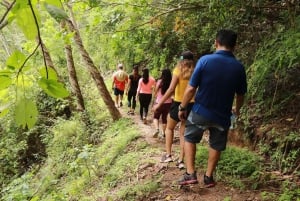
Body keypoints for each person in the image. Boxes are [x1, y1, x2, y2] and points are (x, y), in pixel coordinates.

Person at [177, 29, 247, 187]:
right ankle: (208, 177)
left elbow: (190, 89)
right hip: (223, 115)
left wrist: (182, 107)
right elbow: (241, 95)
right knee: (216, 145)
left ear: (216, 42)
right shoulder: (239, 67)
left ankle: (190, 173)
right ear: (234, 46)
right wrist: (237, 109)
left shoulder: (205, 60)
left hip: (201, 111)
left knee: (189, 137)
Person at [153, 51, 195, 169]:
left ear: (181, 60)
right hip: (191, 104)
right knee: (183, 133)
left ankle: (168, 155)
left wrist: (159, 104)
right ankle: (181, 161)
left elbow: (171, 89)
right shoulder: (196, 72)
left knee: (169, 128)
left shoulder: (178, 71)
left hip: (178, 103)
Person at [152, 68, 172, 138]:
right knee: (164, 119)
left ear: (162, 74)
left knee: (156, 117)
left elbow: (156, 91)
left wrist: (154, 97)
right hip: (168, 103)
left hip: (159, 102)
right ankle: (163, 133)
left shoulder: (160, 82)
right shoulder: (172, 83)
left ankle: (157, 129)